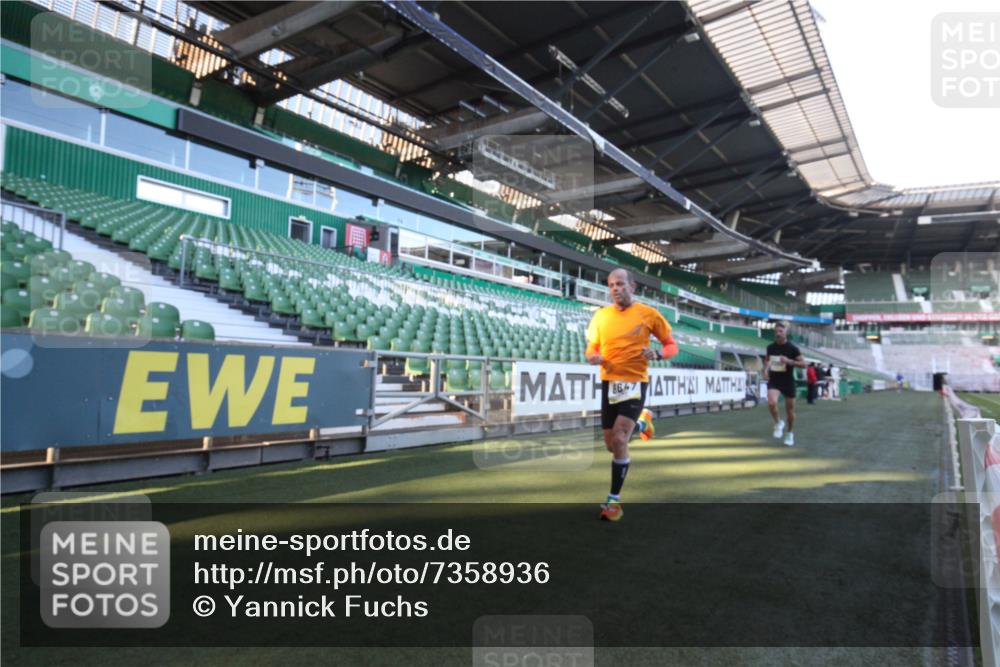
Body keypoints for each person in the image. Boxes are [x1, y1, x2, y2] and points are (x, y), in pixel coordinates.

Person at [586, 268, 678, 522]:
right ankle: (642, 423)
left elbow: (672, 345)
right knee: (611, 444)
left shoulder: (649, 314)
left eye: (620, 284)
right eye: (611, 285)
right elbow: (592, 347)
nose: (615, 289)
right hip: (610, 383)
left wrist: (658, 354)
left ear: (632, 286)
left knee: (619, 438)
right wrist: (592, 357)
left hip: (635, 383)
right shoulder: (601, 316)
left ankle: (614, 501)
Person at [764, 321, 807, 446]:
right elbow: (767, 360)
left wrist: (789, 361)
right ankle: (778, 422)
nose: (778, 334)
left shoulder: (792, 348)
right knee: (771, 403)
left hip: (788, 381)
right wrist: (766, 370)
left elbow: (804, 364)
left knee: (790, 412)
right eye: (776, 332)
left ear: (785, 333)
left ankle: (790, 433)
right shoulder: (770, 347)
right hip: (775, 380)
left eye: (780, 331)